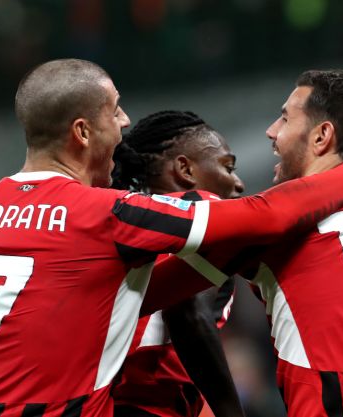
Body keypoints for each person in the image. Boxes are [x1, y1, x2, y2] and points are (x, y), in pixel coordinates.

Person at [0, 58, 343, 417]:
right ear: (82, 132)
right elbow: (267, 216)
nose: (126, 121)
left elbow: (121, 295)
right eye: (115, 111)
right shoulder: (103, 215)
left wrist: (219, 263)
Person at [147, 69, 343, 417]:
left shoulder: (283, 228)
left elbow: (177, 302)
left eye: (285, 118)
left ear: (321, 137)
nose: (272, 131)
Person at [110, 110, 245, 417]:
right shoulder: (201, 210)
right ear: (185, 169)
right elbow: (188, 313)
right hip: (146, 402)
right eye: (228, 166)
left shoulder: (122, 217)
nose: (238, 182)